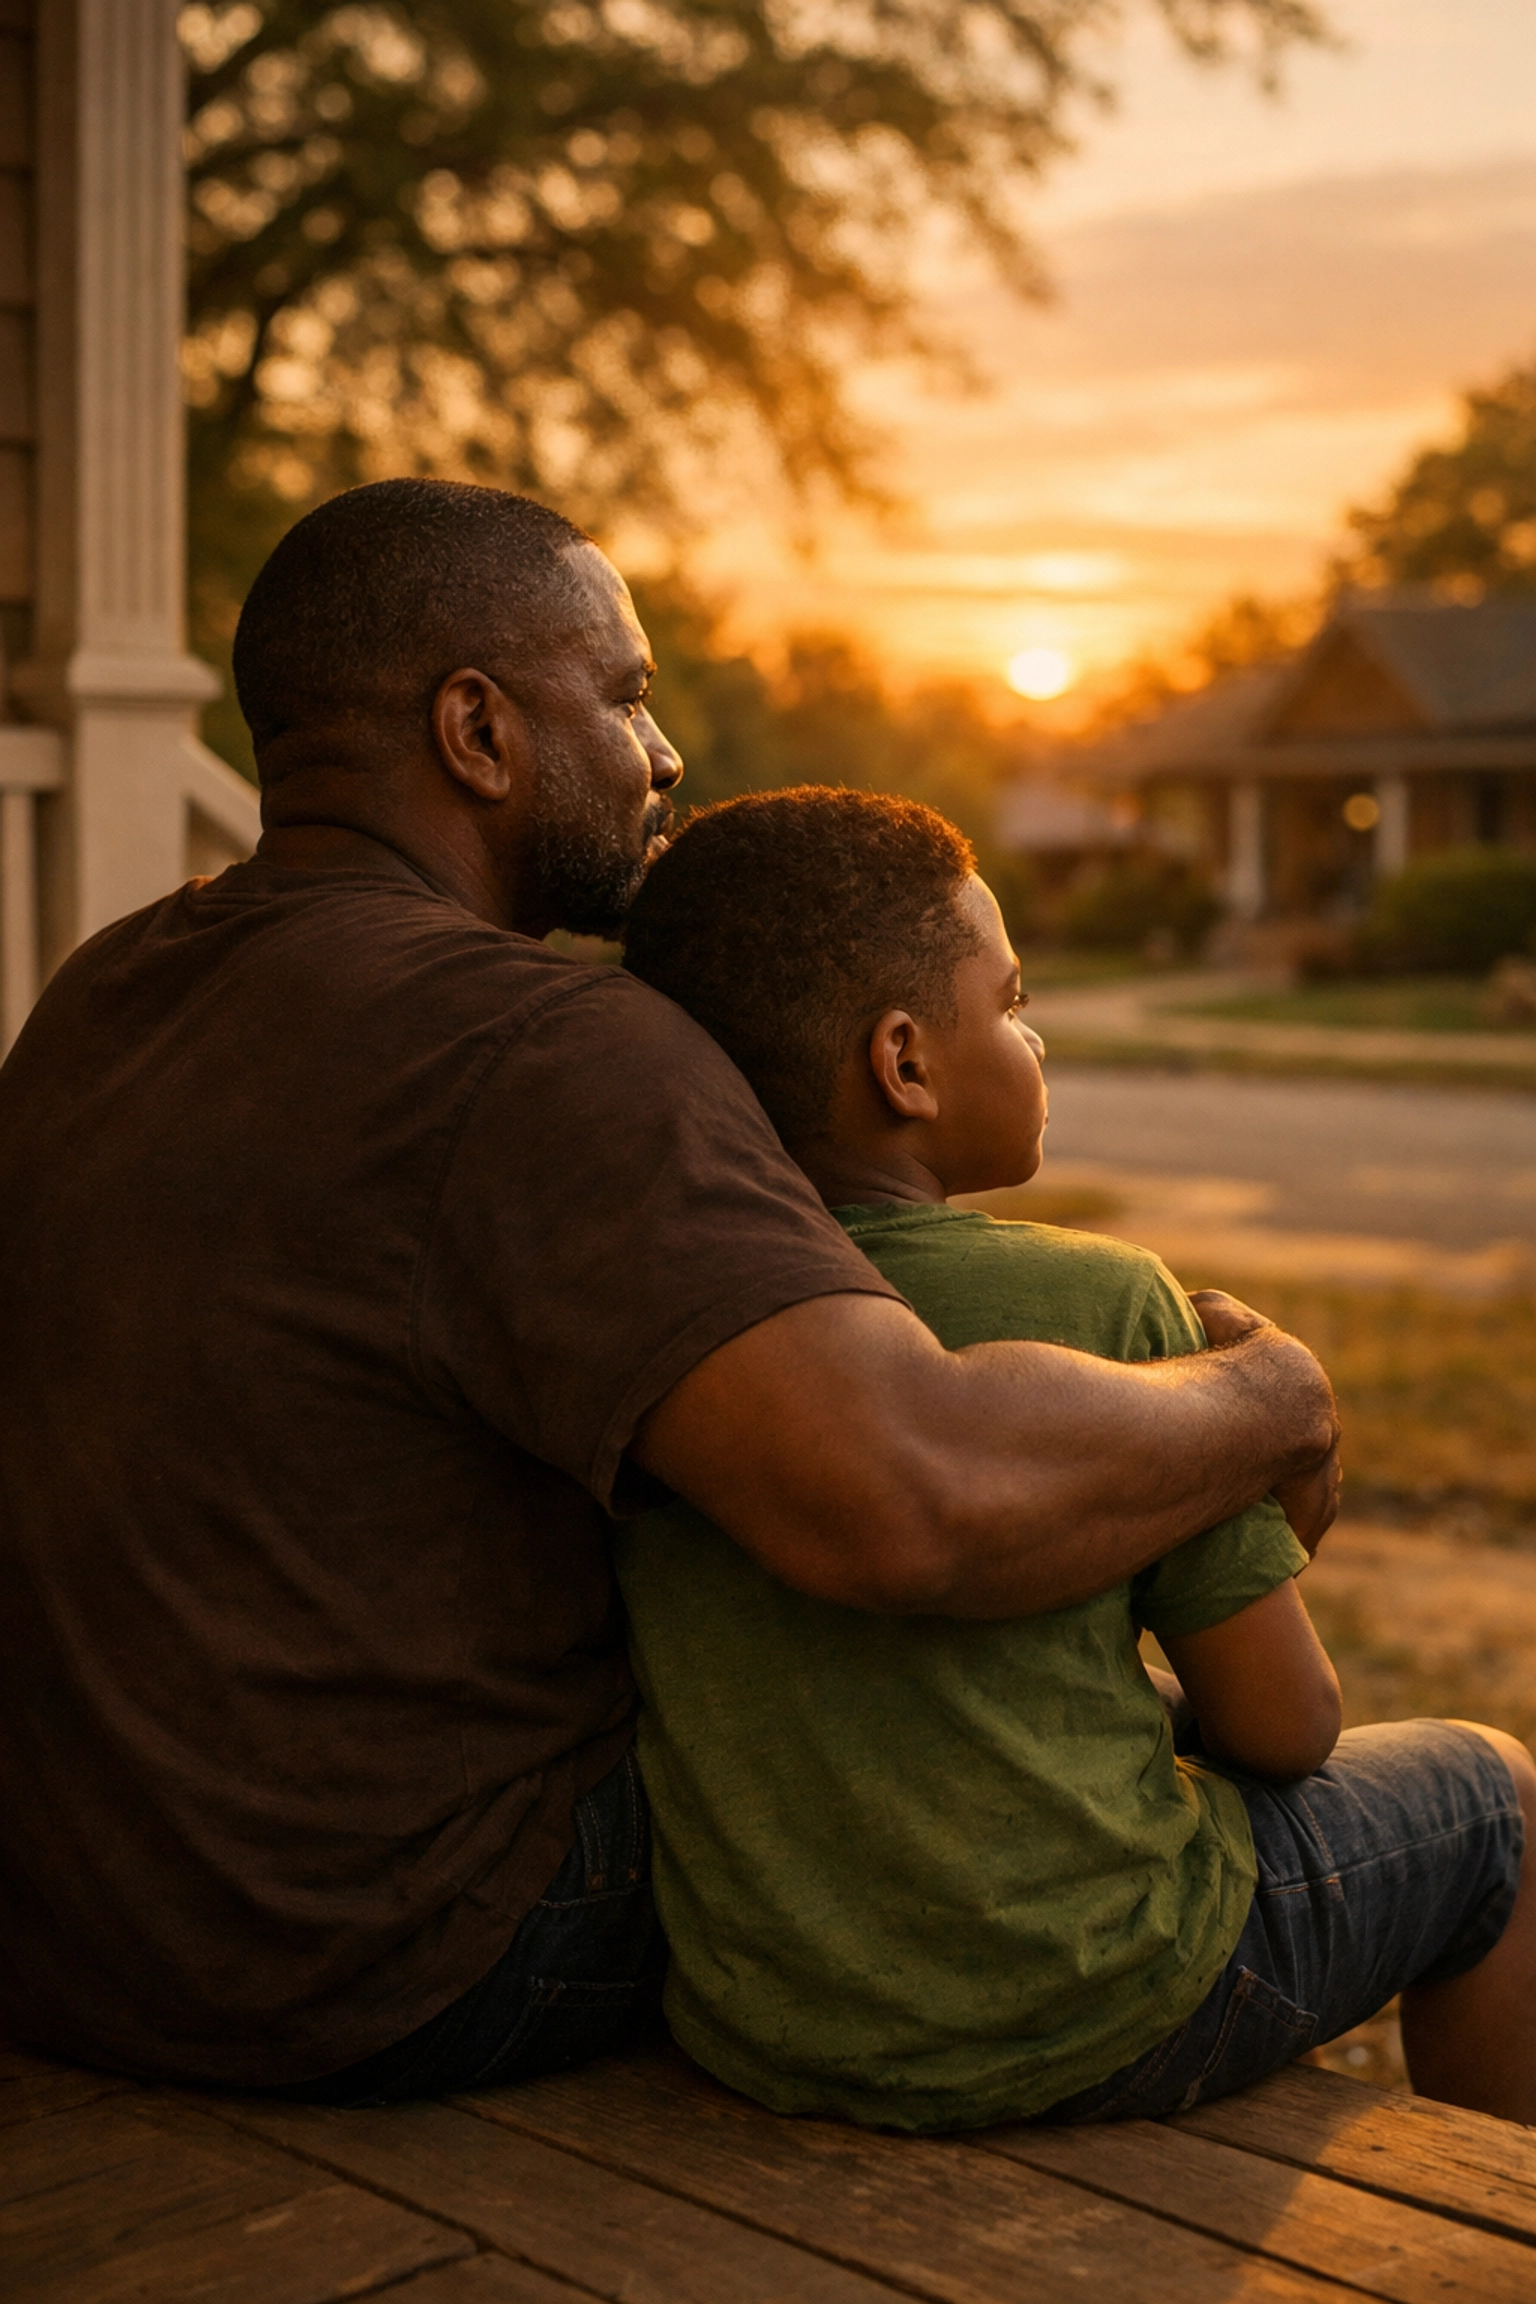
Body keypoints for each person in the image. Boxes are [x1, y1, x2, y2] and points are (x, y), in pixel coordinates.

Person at [0, 482, 1338, 2102]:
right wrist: (1265, 1405)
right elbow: (911, 1499)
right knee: (952, 1795)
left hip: (76, 1924)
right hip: (394, 1951)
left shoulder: (103, 986)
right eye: (625, 697)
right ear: (478, 733)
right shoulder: (543, 1046)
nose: (665, 753)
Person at [619, 784, 1536, 2130]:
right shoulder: (1115, 1310)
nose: (1035, 1035)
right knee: (1499, 1798)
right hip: (1092, 2005)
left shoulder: (674, 1319)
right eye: (1012, 1002)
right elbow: (1288, 1725)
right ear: (905, 1065)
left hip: (772, 2022)